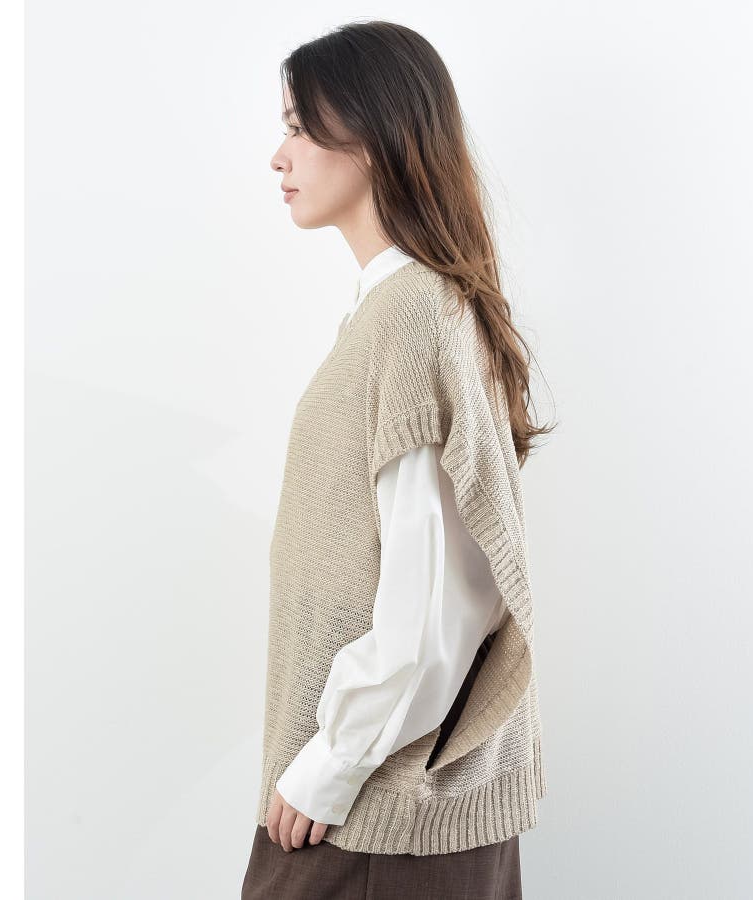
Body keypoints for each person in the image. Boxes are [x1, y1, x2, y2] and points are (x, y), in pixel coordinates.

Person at [242, 19, 554, 900]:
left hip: (377, 817)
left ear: (372, 136)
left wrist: (328, 765)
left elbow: (439, 604)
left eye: (300, 127)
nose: (278, 155)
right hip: (377, 807)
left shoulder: (413, 315)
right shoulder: (396, 312)